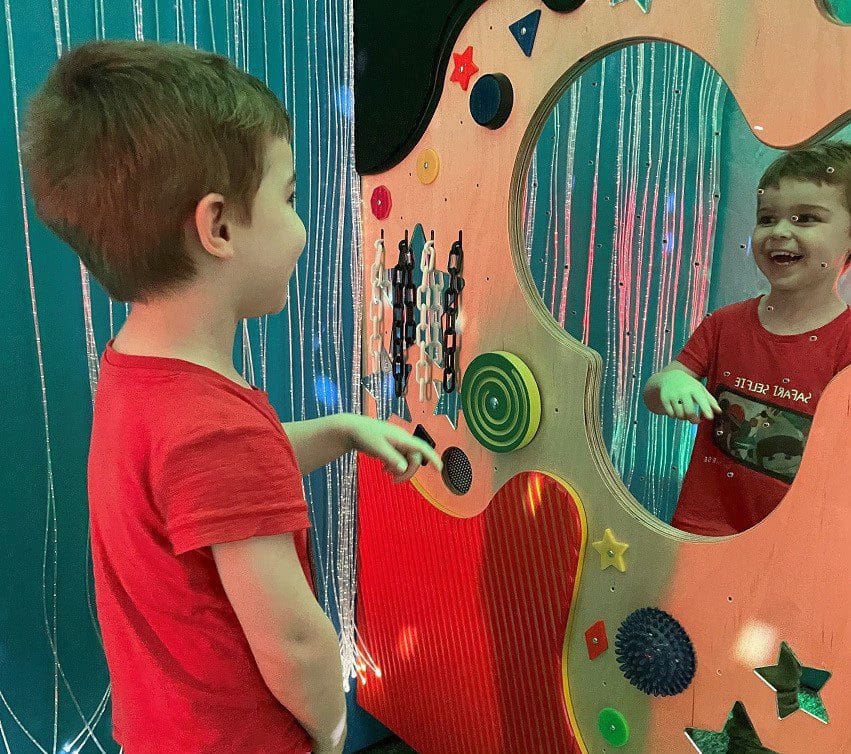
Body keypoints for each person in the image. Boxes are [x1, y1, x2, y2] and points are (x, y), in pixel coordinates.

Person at [22, 40, 441, 754]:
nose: (303, 230)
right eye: (287, 198)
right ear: (217, 227)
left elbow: (210, 494)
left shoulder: (135, 373)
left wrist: (340, 429)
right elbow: (296, 643)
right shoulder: (216, 428)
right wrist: (331, 735)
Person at [643, 141, 851, 536]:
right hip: (703, 529)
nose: (780, 231)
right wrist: (671, 381)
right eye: (767, 218)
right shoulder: (726, 324)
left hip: (796, 545)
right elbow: (656, 391)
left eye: (805, 218)